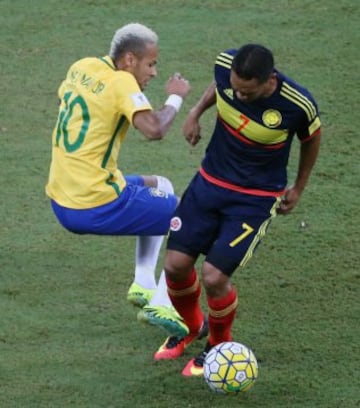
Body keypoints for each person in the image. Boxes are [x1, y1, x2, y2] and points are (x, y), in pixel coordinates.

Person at [153, 44, 322, 376]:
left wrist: (298, 187)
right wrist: (195, 112)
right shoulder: (224, 66)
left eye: (248, 93)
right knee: (175, 265)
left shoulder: (297, 105)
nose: (239, 97)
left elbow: (311, 139)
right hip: (209, 182)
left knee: (214, 277)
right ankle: (191, 328)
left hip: (254, 198)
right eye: (236, 88)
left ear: (269, 80)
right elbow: (219, 87)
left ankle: (217, 348)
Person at [45, 23, 191, 338]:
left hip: (62, 197)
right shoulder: (122, 82)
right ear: (128, 60)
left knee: (160, 185)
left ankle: (143, 283)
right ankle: (164, 304)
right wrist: (176, 99)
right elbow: (154, 129)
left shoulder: (82, 66)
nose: (153, 72)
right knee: (187, 217)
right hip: (95, 202)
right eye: (150, 64)